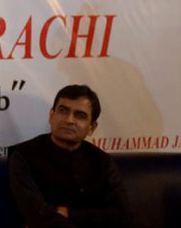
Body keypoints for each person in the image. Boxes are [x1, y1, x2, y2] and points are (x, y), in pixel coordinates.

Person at [8, 84, 130, 228]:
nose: (69, 120)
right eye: (63, 111)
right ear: (51, 116)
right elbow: (38, 216)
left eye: (80, 115)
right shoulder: (23, 155)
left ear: (92, 127)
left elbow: (123, 216)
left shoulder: (102, 161)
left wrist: (70, 213)